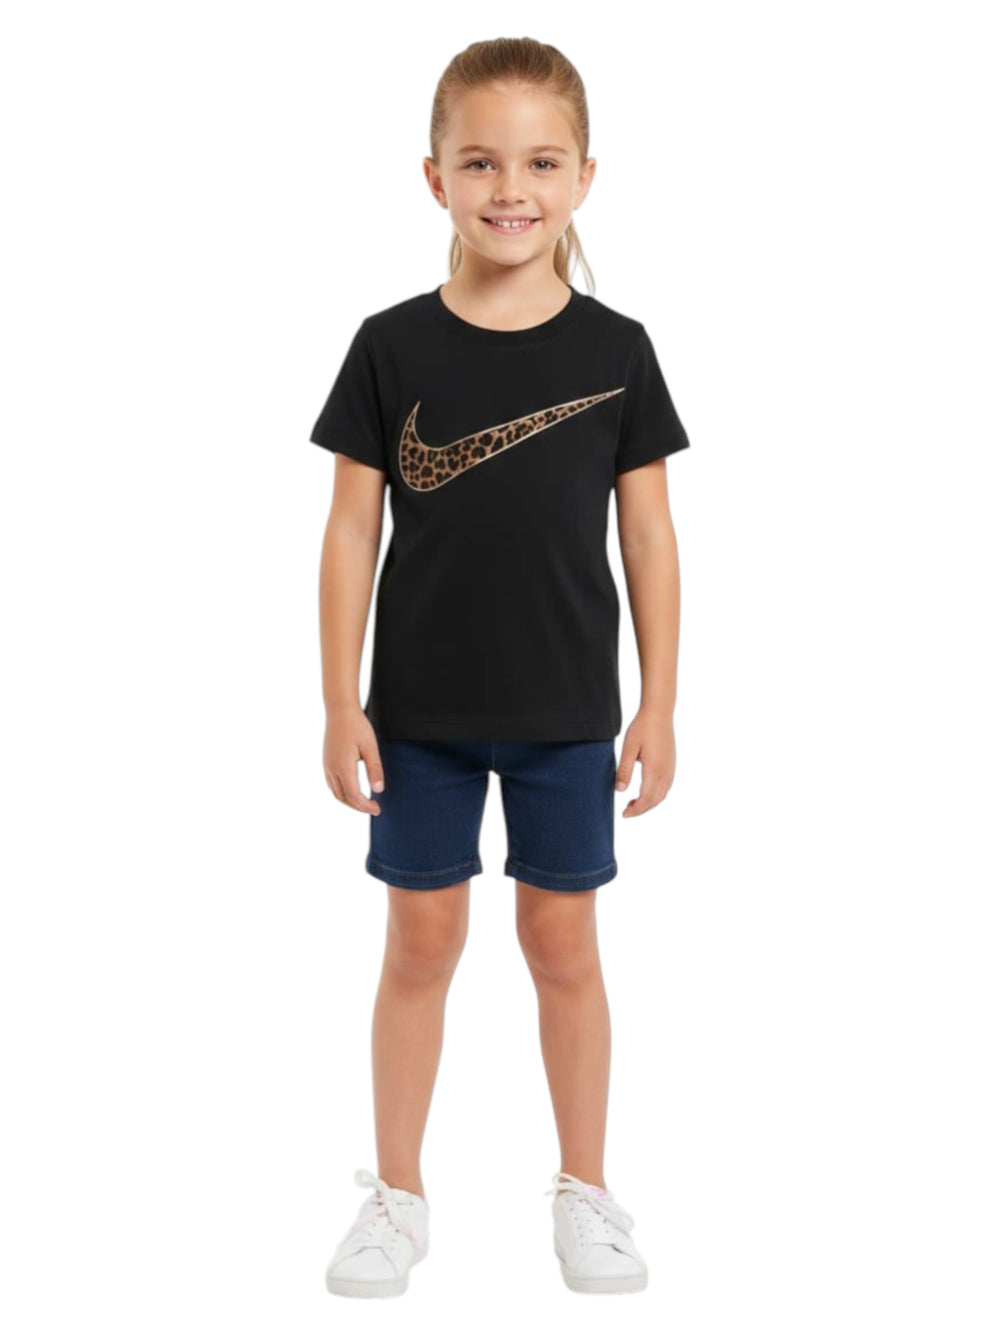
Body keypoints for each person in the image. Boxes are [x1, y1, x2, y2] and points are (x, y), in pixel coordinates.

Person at [309, 37, 690, 1299]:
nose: (509, 189)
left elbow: (648, 536)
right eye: (479, 162)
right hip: (418, 714)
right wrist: (339, 700)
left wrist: (659, 704)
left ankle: (586, 1191)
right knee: (419, 944)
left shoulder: (617, 351)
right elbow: (350, 531)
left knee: (562, 944)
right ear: (434, 178)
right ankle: (396, 1197)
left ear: (584, 177)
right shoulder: (389, 346)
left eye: (539, 162)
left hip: (566, 713)